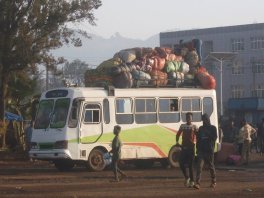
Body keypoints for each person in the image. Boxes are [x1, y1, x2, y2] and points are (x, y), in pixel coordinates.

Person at [194, 113, 217, 189]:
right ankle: (197, 183)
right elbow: (198, 139)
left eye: (205, 119)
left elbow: (214, 138)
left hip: (209, 150)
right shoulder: (201, 128)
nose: (204, 121)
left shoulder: (213, 128)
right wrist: (196, 133)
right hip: (201, 150)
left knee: (211, 166)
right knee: (199, 166)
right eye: (203, 120)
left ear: (208, 119)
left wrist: (207, 133)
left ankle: (213, 181)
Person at [176, 112, 197, 188]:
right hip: (183, 148)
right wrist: (177, 142)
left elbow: (197, 136)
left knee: (191, 165)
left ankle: (192, 181)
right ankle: (187, 177)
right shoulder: (182, 126)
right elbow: (178, 134)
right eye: (187, 117)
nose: (188, 118)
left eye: (190, 117)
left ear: (192, 118)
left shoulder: (194, 127)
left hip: (191, 148)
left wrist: (197, 145)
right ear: (186, 118)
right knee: (181, 163)